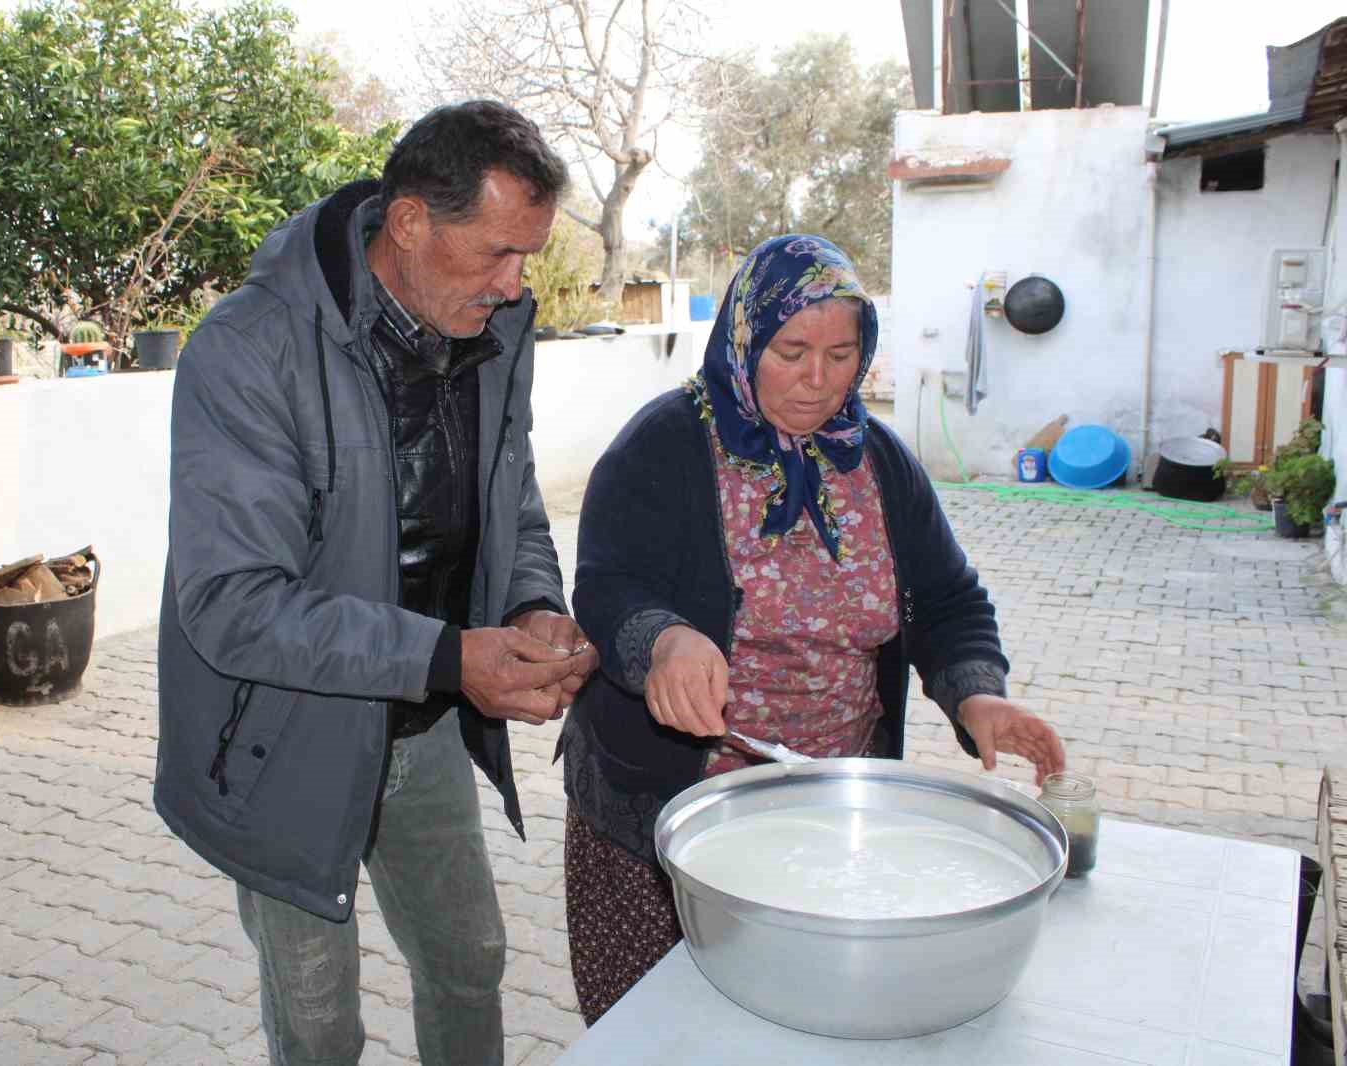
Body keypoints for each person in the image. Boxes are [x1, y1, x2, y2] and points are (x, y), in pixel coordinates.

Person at [154, 100, 598, 1066]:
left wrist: (532, 608)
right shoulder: (248, 348)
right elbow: (230, 602)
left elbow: (509, 496)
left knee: (471, 962)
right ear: (409, 223)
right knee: (319, 1030)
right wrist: (448, 655)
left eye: (529, 255)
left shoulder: (493, 327)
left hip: (427, 718)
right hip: (287, 733)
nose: (519, 284)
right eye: (497, 253)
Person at [556, 234, 1067, 1023]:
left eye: (841, 353)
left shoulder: (876, 461)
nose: (818, 379)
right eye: (791, 350)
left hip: (825, 812)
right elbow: (607, 584)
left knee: (800, 1022)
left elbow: (946, 600)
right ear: (746, 336)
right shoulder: (663, 445)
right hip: (669, 812)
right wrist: (663, 640)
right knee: (660, 1029)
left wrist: (976, 698)